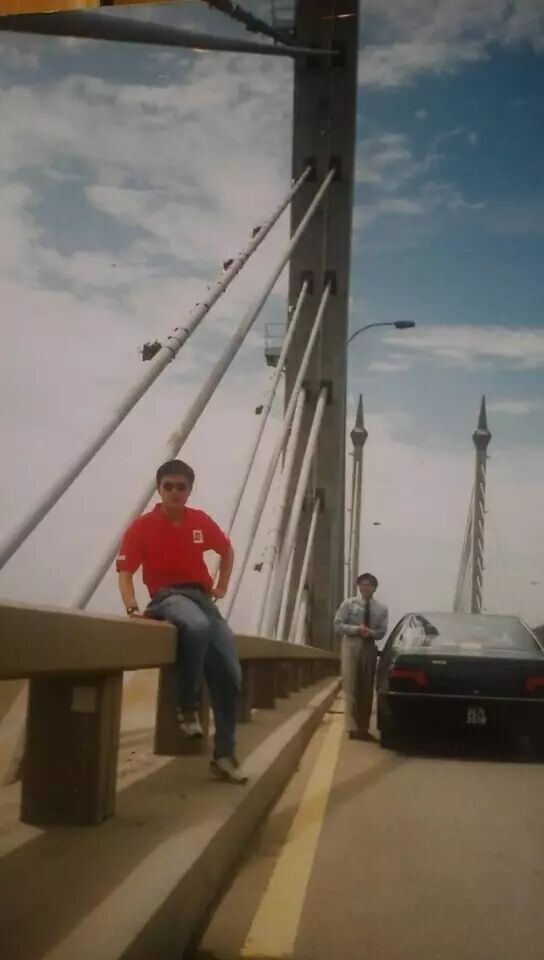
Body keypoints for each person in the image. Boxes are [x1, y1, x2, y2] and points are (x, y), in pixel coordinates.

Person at [116, 458, 247, 784]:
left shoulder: (199, 520)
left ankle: (224, 756)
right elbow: (125, 570)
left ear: (189, 490)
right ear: (159, 489)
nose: (175, 492)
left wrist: (222, 586)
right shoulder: (142, 526)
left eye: (181, 487)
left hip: (203, 599)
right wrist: (131, 607)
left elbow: (226, 550)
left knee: (230, 675)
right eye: (168, 486)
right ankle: (187, 708)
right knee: (196, 627)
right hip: (167, 597)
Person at [333, 573, 388, 741]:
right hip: (351, 645)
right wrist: (356, 629)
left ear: (374, 588)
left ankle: (363, 728)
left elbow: (381, 632)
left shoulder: (381, 609)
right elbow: (337, 625)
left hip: (369, 647)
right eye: (362, 584)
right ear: (359, 586)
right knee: (351, 686)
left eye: (369, 585)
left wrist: (368, 632)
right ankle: (351, 727)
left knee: (366, 688)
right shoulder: (348, 604)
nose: (365, 587)